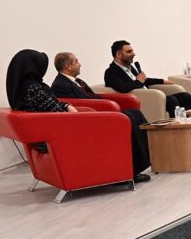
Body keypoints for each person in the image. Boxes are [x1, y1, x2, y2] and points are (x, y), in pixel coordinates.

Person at [9, 49, 152, 185]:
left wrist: (67, 106)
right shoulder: (35, 89)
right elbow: (55, 115)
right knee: (130, 118)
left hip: (61, 130)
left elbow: (53, 105)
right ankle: (136, 167)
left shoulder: (27, 87)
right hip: (64, 134)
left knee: (133, 114)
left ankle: (142, 162)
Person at [51, 51, 152, 180]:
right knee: (130, 118)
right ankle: (133, 170)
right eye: (76, 61)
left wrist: (107, 103)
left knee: (135, 113)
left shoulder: (76, 81)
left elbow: (93, 97)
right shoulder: (61, 85)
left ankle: (147, 156)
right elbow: (75, 105)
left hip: (99, 112)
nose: (80, 64)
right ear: (68, 66)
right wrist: (105, 106)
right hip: (92, 119)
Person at [104, 40, 191, 118]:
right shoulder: (111, 72)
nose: (133, 54)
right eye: (129, 51)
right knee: (171, 100)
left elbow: (144, 80)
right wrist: (138, 81)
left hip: (150, 96)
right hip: (142, 100)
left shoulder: (130, 67)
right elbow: (123, 88)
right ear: (118, 54)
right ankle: (178, 130)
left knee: (185, 96)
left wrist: (161, 81)